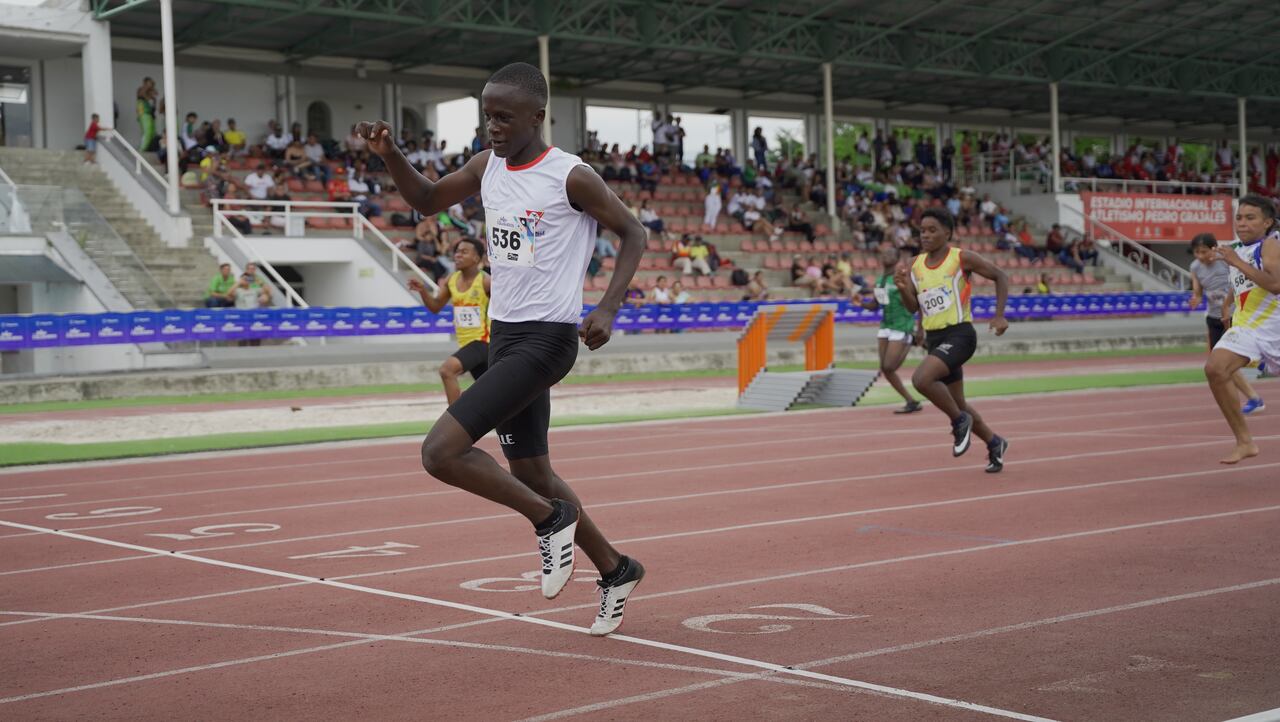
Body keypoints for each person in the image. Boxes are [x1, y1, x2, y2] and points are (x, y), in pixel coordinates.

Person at [356, 62, 646, 635]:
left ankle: (549, 521)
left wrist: (608, 306)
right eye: (487, 116)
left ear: (537, 117)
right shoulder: (488, 166)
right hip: (503, 335)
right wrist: (389, 154)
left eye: (505, 117)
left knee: (440, 452)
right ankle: (616, 569)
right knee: (533, 470)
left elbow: (633, 233)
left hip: (546, 340)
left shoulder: (571, 176)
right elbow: (428, 199)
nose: (493, 127)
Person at [894, 208, 1011, 473]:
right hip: (935, 340)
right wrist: (903, 289)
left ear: (948, 233)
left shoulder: (961, 258)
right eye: (922, 230)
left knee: (921, 380)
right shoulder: (914, 265)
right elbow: (913, 307)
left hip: (960, 335)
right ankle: (995, 442)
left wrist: (999, 316)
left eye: (932, 230)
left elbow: (1000, 276)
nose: (925, 235)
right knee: (958, 403)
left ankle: (959, 423)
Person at [1205, 195, 1280, 464]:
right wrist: (1227, 306)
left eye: (1251, 218)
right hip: (1250, 329)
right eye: (1239, 217)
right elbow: (1242, 285)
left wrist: (1236, 261)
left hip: (1275, 331)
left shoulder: (1270, 245)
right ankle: (1245, 441)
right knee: (1215, 368)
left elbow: (1275, 285)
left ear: (1267, 222)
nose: (1242, 223)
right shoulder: (1239, 249)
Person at [409, 238, 491, 406]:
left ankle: (455, 420)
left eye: (464, 252)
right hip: (467, 345)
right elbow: (435, 307)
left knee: (447, 370)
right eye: (457, 252)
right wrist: (423, 291)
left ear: (476, 258)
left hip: (484, 342)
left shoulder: (486, 281)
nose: (457, 255)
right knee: (495, 396)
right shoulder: (451, 280)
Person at [1190, 233, 1264, 415]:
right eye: (1197, 252)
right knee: (1219, 364)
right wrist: (1196, 298)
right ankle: (1254, 397)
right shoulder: (1195, 267)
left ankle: (1259, 367)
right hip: (1214, 318)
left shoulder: (1226, 261)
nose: (1200, 256)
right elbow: (1198, 290)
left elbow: (1239, 282)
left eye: (1204, 252)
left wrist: (1228, 304)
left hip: (1235, 317)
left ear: (1213, 248)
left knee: (1223, 363)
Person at [857, 245, 923, 414]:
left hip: (902, 325)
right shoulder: (881, 281)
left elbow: (917, 303)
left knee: (889, 366)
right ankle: (911, 401)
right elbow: (877, 305)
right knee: (885, 369)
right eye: (884, 253)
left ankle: (911, 339)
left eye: (889, 253)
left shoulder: (902, 277)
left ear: (897, 258)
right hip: (885, 326)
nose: (885, 255)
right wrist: (860, 303)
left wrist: (920, 328)